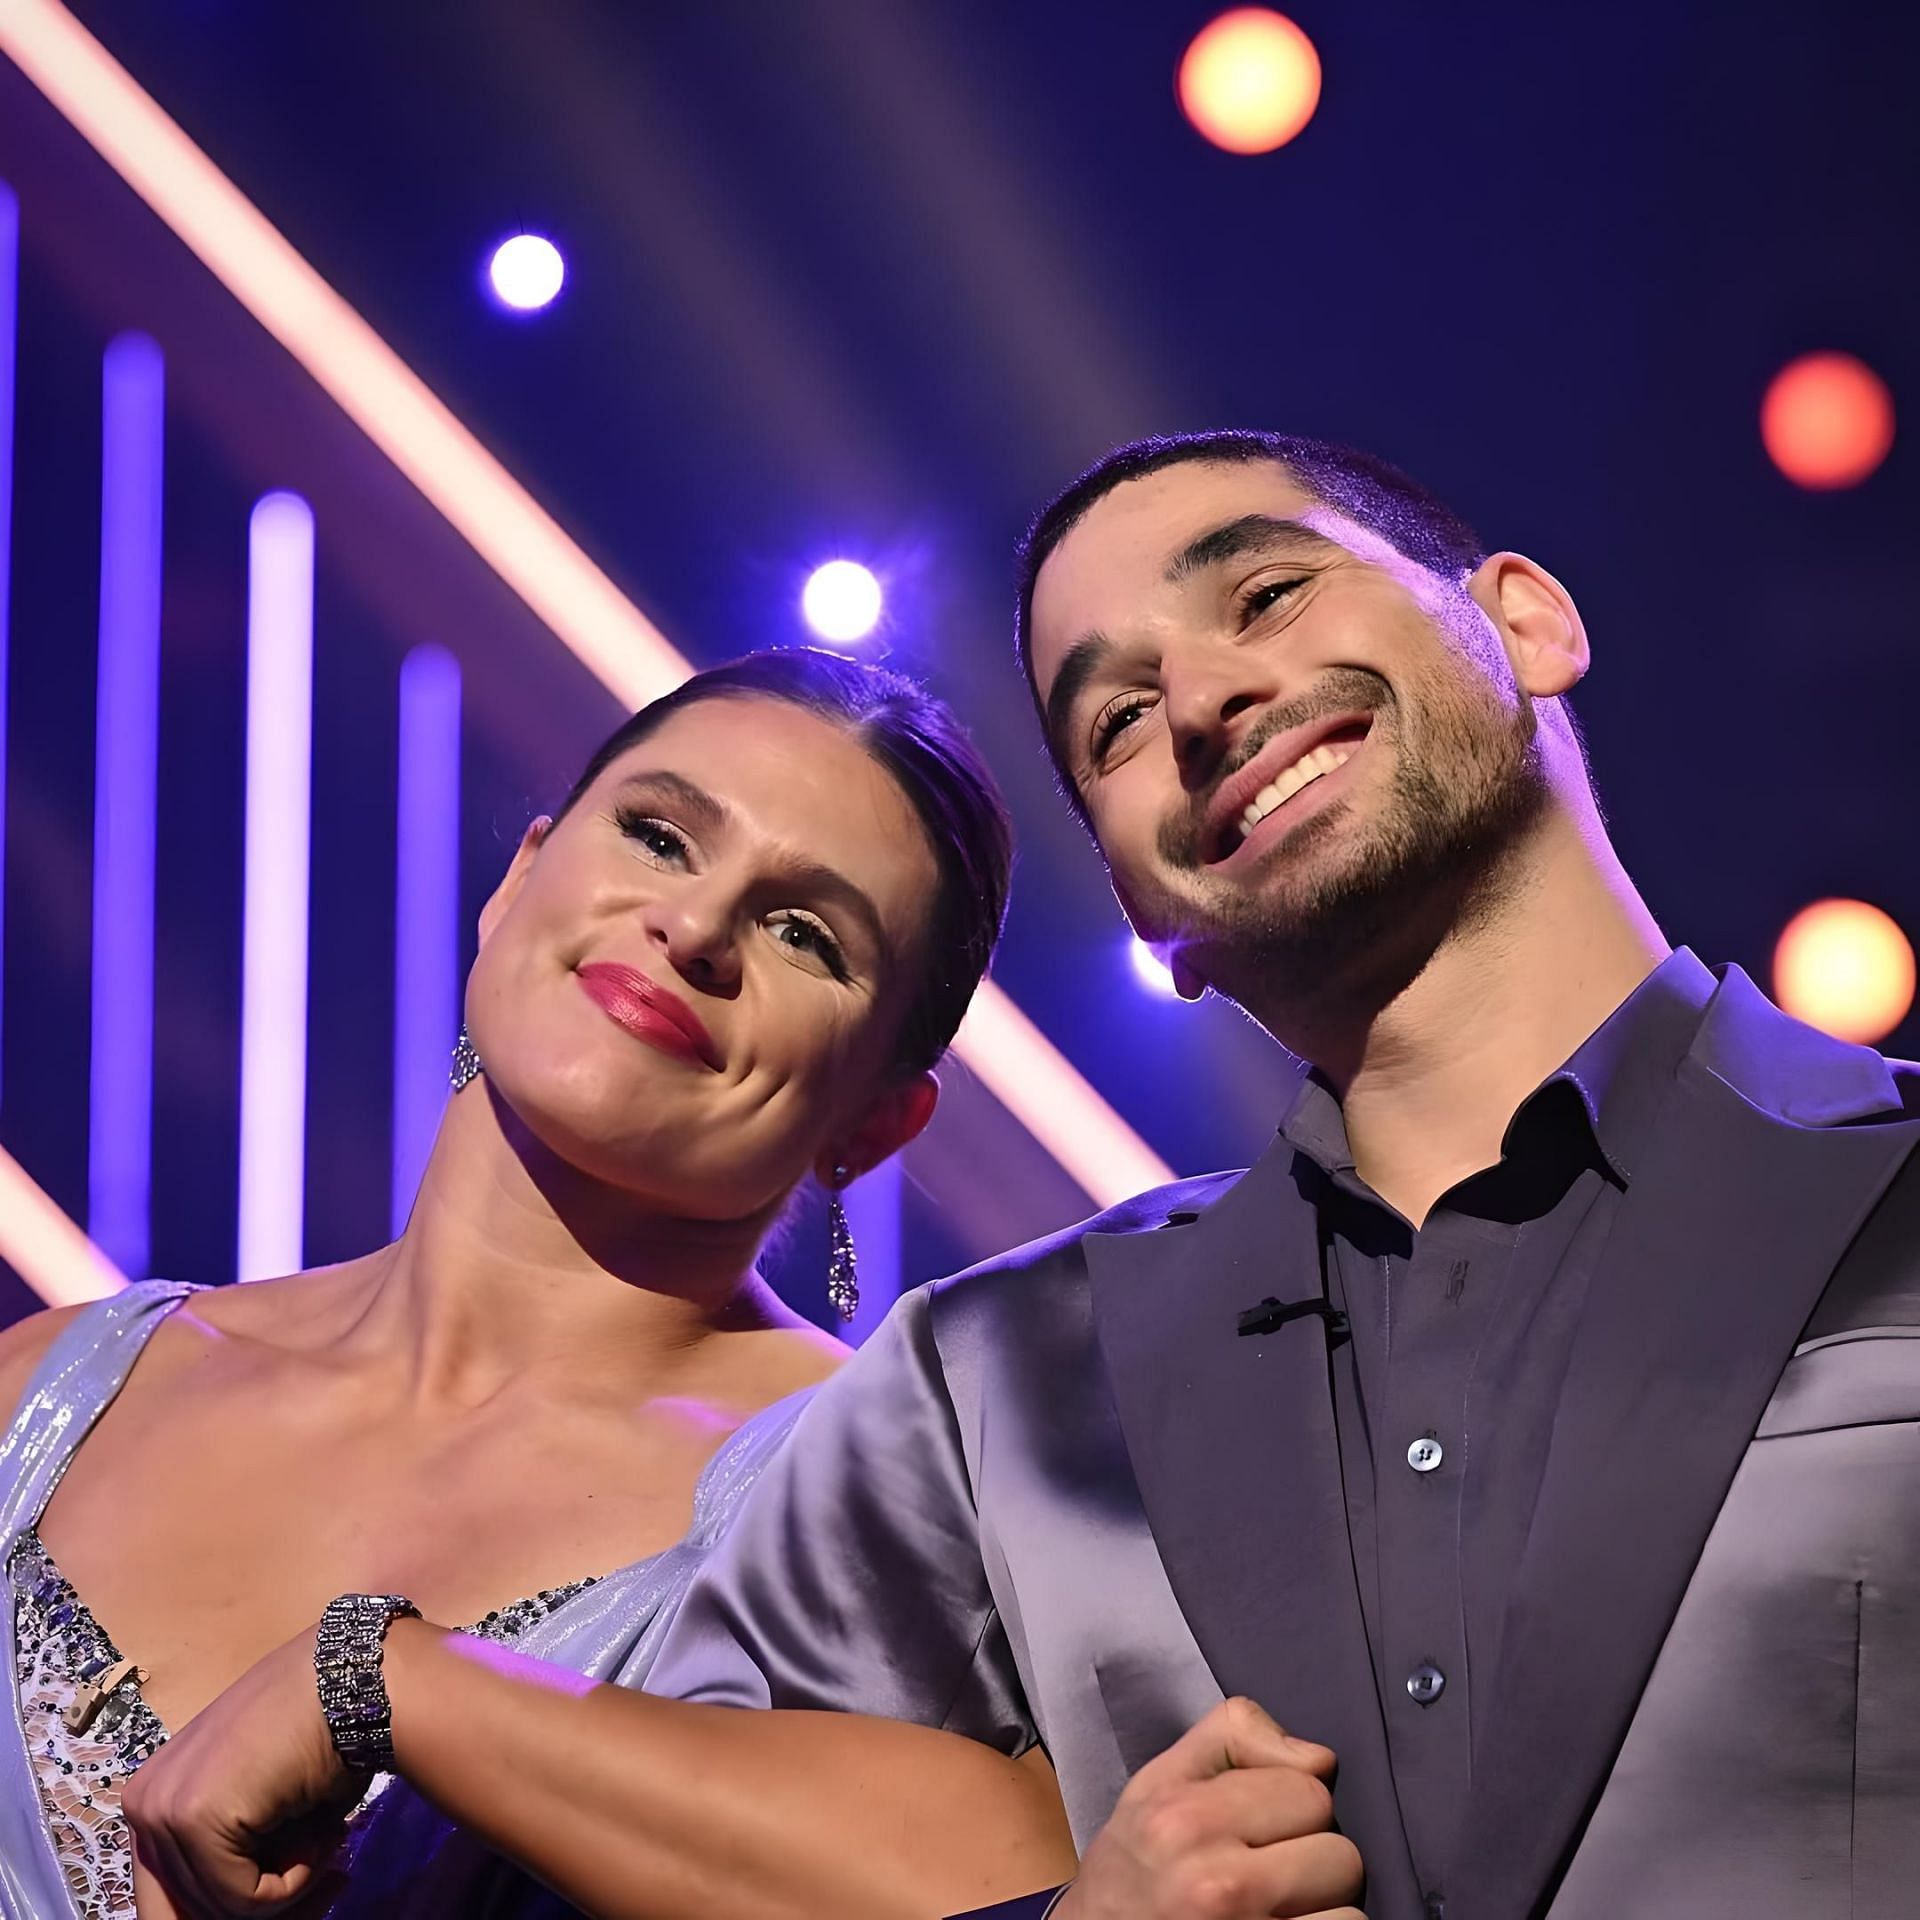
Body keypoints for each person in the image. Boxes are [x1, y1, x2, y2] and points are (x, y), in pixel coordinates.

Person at [124, 432, 1920, 1920]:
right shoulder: (988, 1394)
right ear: (1150, 910)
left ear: (1523, 620)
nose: (1204, 698)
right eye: (1115, 723)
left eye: (1269, 594)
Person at [0, 649, 1079, 1920]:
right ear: (519, 881)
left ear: (877, 1125)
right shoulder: (53, 1386)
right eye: (660, 836)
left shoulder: (876, 1492)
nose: (694, 930)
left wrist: (394, 1685)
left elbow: (1064, 1884)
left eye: (806, 933)